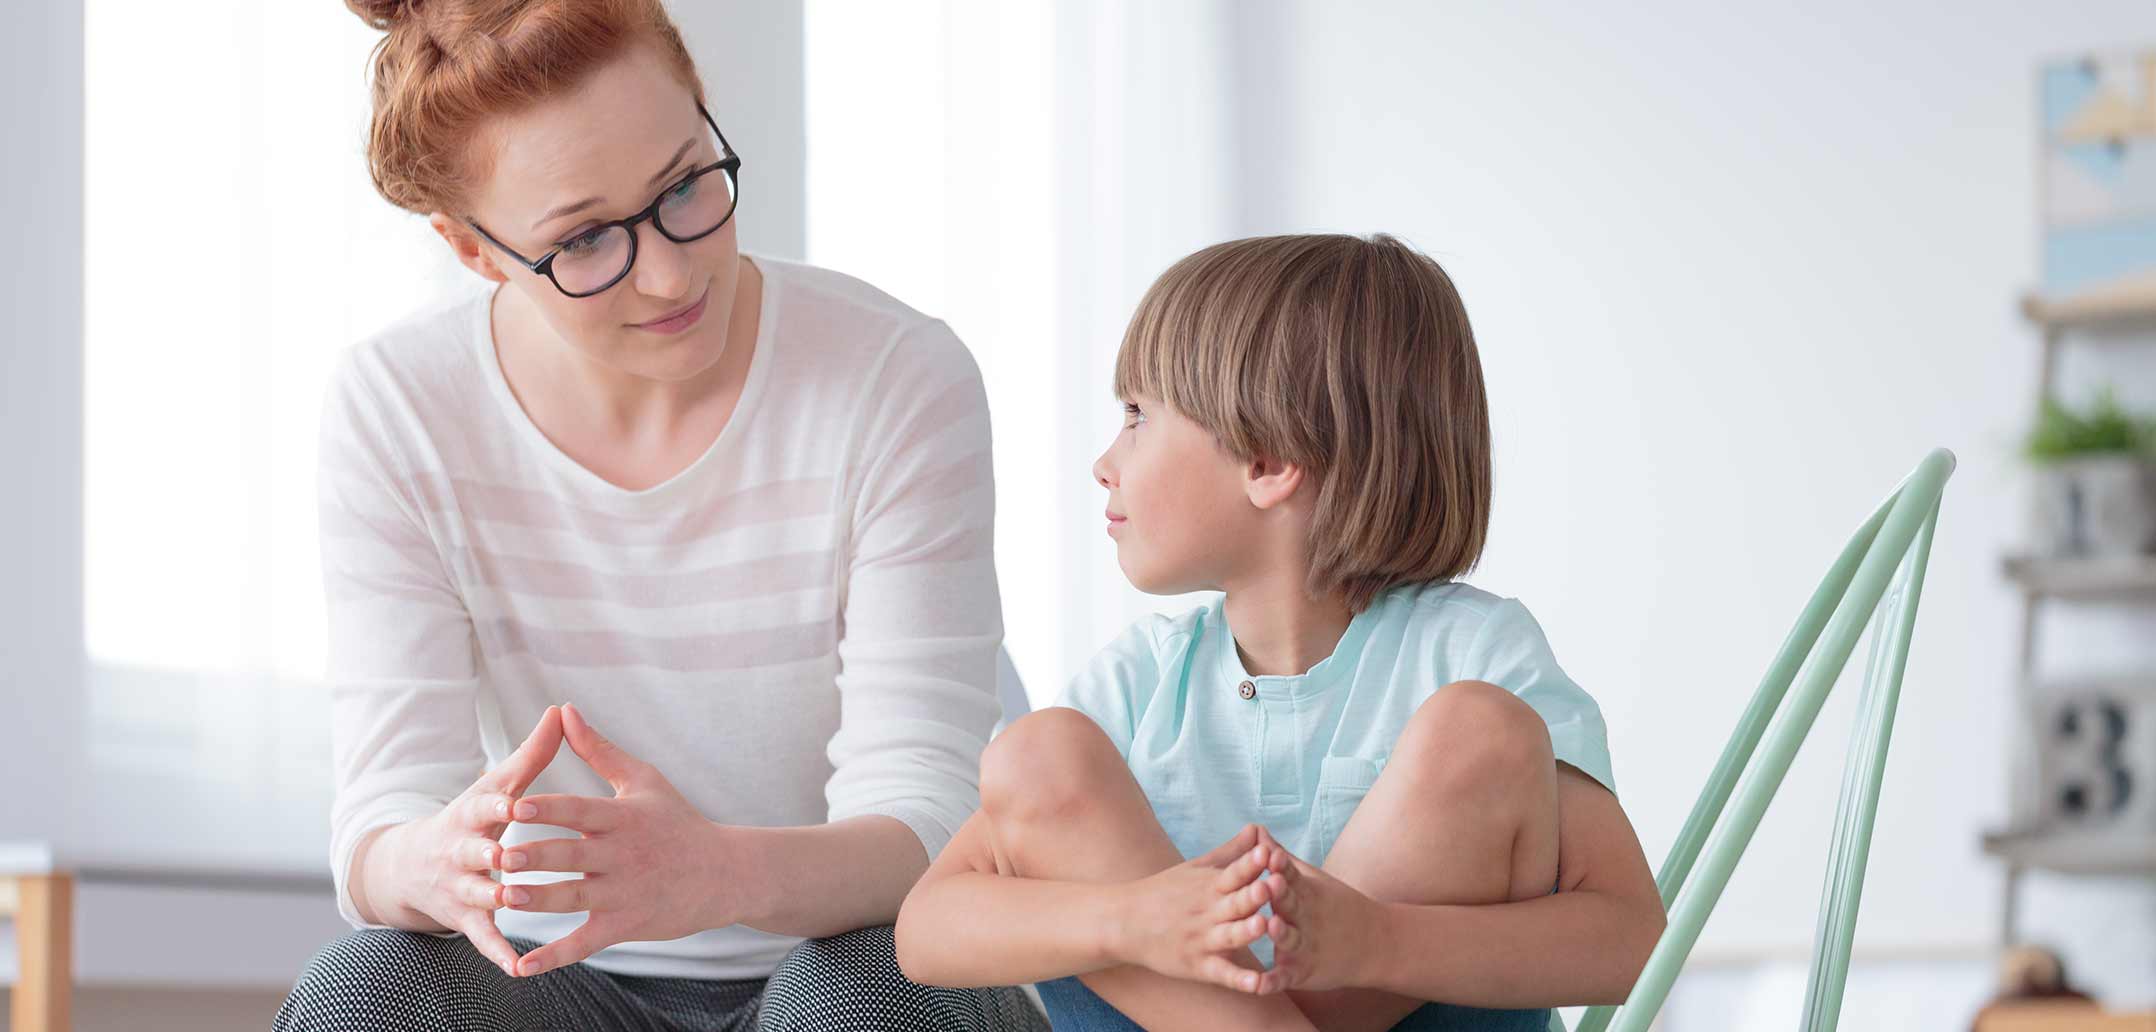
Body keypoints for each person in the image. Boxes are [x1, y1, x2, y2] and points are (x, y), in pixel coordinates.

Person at [275, 2, 1042, 1029]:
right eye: (586, 239)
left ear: (706, 116)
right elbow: (378, 831)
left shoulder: (893, 377)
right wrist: (436, 857)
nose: (674, 271)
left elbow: (926, 823)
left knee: (857, 997)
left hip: (844, 955)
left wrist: (717, 873)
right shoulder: (398, 408)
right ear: (473, 250)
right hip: (559, 981)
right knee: (368, 990)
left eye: (687, 185)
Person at [894, 234, 1668, 1031]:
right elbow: (925, 932)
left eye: (1137, 416)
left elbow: (1628, 937)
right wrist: (1135, 920)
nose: (1105, 461)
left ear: (1266, 460)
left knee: (1484, 730)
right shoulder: (1138, 684)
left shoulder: (1472, 655)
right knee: (1035, 751)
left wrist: (1378, 941)